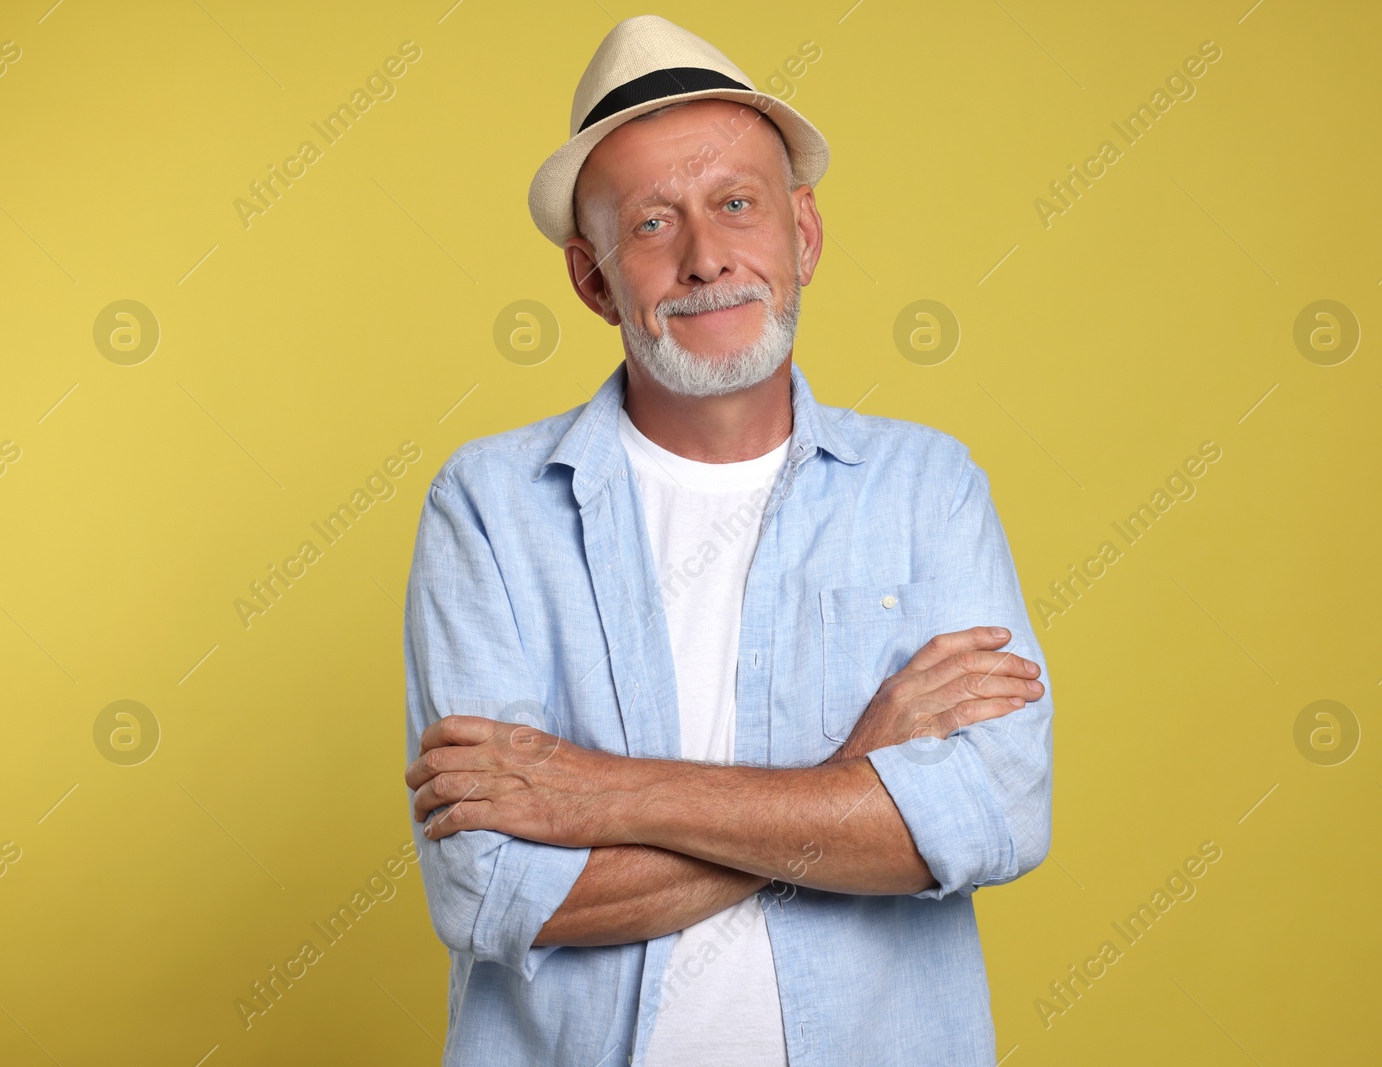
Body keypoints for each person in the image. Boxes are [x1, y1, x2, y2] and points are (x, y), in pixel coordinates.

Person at [401, 15, 1053, 1066]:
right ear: (592, 279)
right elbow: (491, 889)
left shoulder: (929, 488)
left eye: (736, 205)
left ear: (803, 234)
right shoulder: (488, 507)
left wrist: (607, 793)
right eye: (653, 224)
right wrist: (852, 777)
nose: (707, 259)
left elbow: (993, 818)